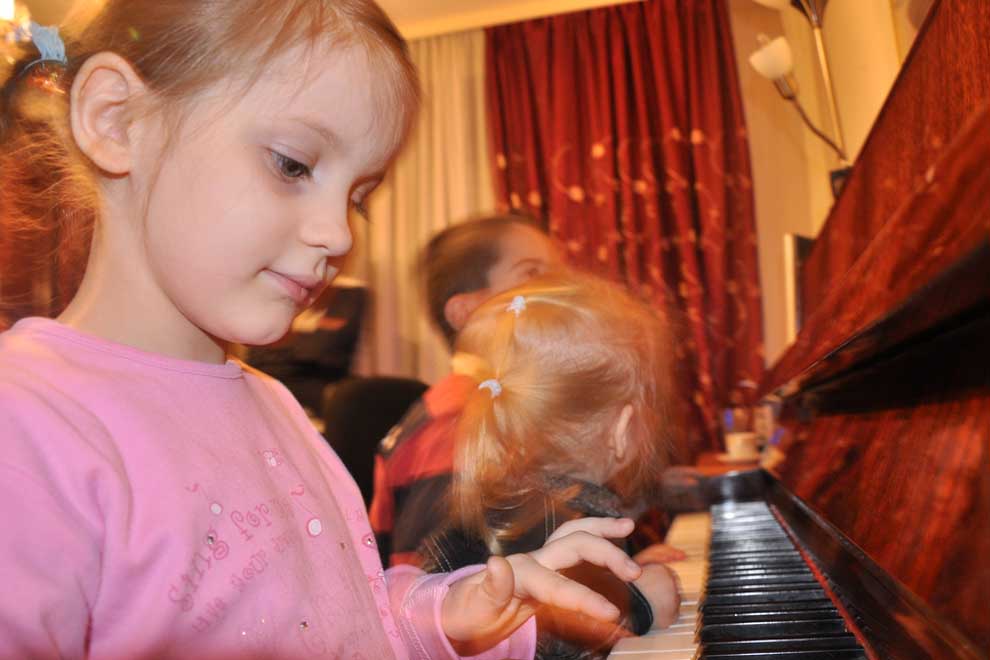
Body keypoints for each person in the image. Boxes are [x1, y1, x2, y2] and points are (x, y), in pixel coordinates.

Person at [0, 3, 647, 658]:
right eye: (292, 165)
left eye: (358, 198)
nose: (339, 235)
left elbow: (346, 623)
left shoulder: (269, 402)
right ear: (116, 119)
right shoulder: (24, 423)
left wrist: (457, 615)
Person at [417, 271, 684, 659]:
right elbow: (542, 634)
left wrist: (623, 575)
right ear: (622, 429)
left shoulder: (506, 505)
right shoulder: (571, 517)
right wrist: (638, 606)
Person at [369, 214, 563, 566]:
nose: (562, 288)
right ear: (466, 311)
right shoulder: (456, 426)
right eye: (532, 273)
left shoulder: (506, 410)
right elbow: (432, 585)